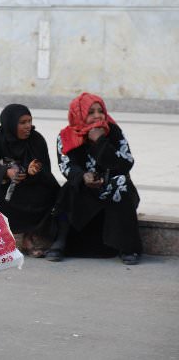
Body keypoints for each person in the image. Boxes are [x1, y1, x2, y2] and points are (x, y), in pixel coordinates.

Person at [54, 92, 142, 265]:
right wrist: (83, 176)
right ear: (79, 114)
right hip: (86, 186)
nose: (97, 116)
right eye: (91, 112)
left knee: (121, 183)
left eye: (100, 111)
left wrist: (100, 141)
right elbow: (66, 166)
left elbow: (126, 163)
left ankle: (128, 247)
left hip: (112, 186)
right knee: (68, 188)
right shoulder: (66, 136)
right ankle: (60, 242)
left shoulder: (113, 131)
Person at [0, 104, 61, 257]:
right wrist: (6, 172)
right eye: (22, 122)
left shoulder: (36, 139)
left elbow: (45, 169)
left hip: (30, 186)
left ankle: (30, 237)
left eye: (29, 121)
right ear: (10, 123)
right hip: (4, 187)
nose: (28, 126)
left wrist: (33, 170)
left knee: (54, 192)